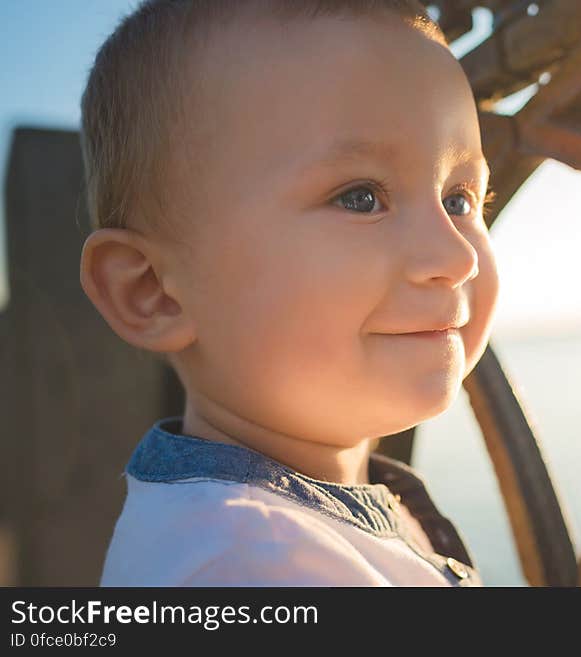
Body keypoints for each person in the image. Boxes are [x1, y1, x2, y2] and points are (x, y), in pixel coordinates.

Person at [78, 0, 500, 586]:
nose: (456, 257)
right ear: (153, 291)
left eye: (460, 199)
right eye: (360, 197)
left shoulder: (251, 536)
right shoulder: (250, 568)